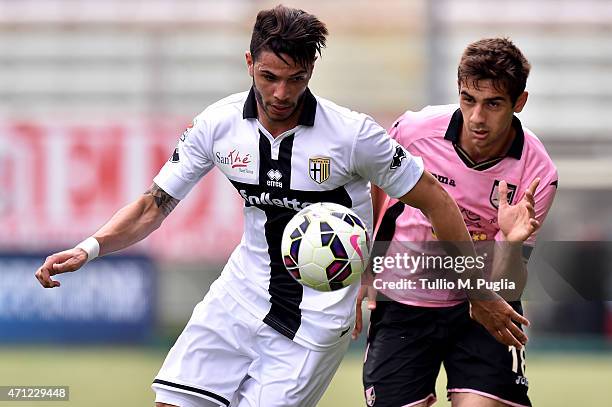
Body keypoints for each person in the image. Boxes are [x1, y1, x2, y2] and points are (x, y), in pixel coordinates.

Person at [35, 7, 526, 406]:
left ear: (311, 71)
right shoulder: (218, 125)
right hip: (239, 294)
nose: (281, 93)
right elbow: (153, 205)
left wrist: (476, 291)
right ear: (248, 62)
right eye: (269, 76)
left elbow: (436, 201)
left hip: (316, 317)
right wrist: (91, 247)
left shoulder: (353, 136)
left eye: (295, 79)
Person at [353, 38, 558, 407]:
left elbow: (506, 283)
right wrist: (365, 270)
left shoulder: (537, 171)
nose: (477, 117)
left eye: (493, 104)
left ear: (519, 103)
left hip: (483, 306)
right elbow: (377, 192)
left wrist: (511, 243)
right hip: (405, 298)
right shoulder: (414, 131)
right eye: (469, 100)